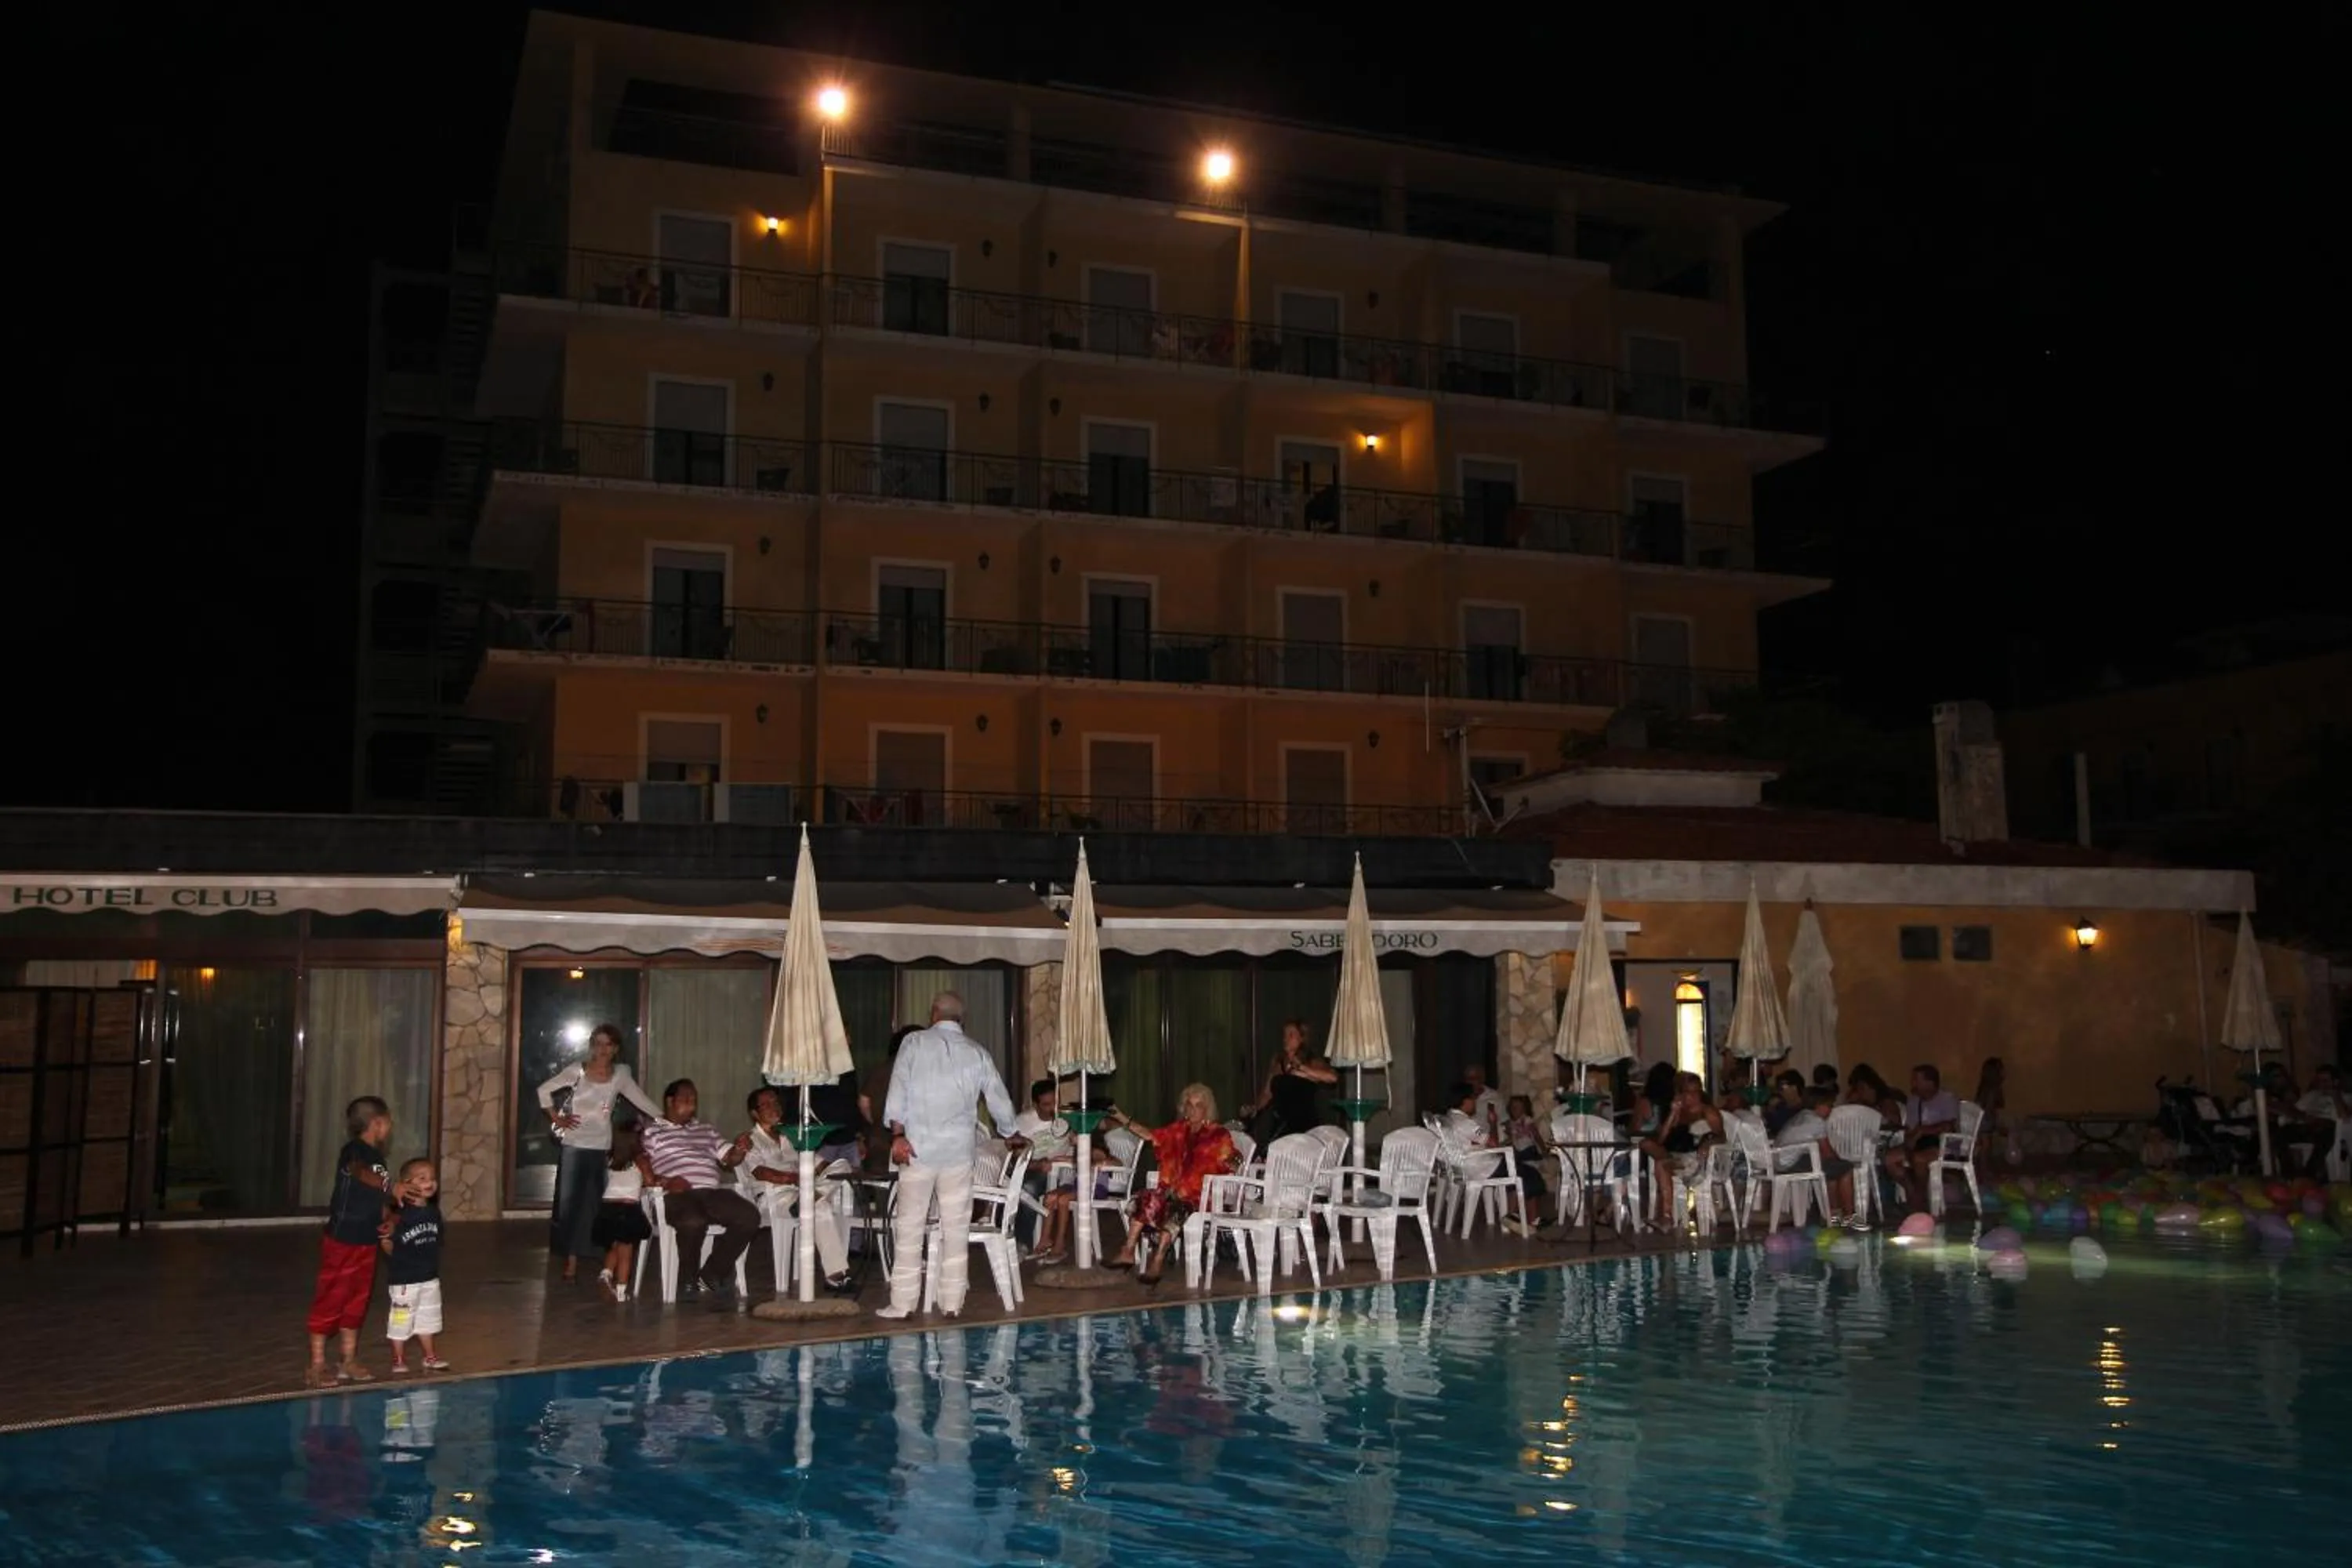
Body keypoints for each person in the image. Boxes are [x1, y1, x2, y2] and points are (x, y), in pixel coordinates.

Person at [878, 992, 1021, 1320]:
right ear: (961, 1018)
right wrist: (1010, 1130)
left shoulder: (913, 1043)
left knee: (910, 1225)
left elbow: (898, 1088)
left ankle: (902, 1303)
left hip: (918, 1149)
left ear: (934, 1013)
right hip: (958, 1152)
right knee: (956, 1227)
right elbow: (998, 1097)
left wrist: (897, 1135)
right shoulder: (977, 1052)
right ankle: (952, 1302)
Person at [536, 1023, 662, 1283]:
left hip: (602, 1147)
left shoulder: (621, 1075)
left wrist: (664, 1119)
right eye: (599, 1043)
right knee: (570, 1204)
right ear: (592, 1044)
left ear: (615, 1049)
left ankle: (599, 1256)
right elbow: (543, 1090)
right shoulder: (577, 1070)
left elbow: (640, 1100)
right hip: (574, 1145)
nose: (603, 1049)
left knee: (598, 1205)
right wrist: (556, 1119)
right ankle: (570, 1261)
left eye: (609, 1044)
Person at [637, 1078, 760, 1307]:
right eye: (685, 1099)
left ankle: (712, 1273)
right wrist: (663, 1181)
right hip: (675, 1195)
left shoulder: (706, 1130)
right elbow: (639, 1164)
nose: (691, 1104)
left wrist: (741, 1148)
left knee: (748, 1215)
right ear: (670, 1101)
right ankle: (687, 1280)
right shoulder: (652, 1132)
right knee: (693, 1220)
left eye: (694, 1100)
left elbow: (730, 1158)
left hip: (710, 1193)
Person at [1104, 1083, 1240, 1285]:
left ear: (1207, 1109)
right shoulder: (1178, 1130)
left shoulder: (1218, 1135)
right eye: (1189, 1105)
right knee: (1146, 1197)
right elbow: (1150, 1135)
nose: (1192, 1110)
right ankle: (1128, 1250)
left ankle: (1158, 1259)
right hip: (1174, 1191)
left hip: (1200, 1196)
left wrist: (1234, 1163)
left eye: (1198, 1105)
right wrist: (1120, 1116)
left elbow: (1233, 1161)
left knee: (1176, 1206)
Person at [307, 1096, 396, 1388]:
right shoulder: (354, 1151)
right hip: (342, 1239)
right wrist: (391, 1186)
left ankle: (348, 1358)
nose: (390, 1129)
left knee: (357, 1299)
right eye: (388, 1123)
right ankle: (317, 1364)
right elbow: (361, 1174)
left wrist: (387, 1220)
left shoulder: (380, 1159)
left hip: (367, 1240)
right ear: (377, 1123)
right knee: (332, 1295)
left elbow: (379, 1198)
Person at [744, 1086, 852, 1294]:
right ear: (755, 1113)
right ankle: (836, 1275)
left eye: (776, 1103)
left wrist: (833, 1171)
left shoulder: (792, 1135)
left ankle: (811, 1199)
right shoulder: (751, 1140)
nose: (774, 1108)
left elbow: (821, 1165)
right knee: (819, 1206)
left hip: (804, 1192)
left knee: (842, 1166)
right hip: (775, 1197)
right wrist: (792, 1178)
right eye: (766, 1105)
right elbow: (760, 1172)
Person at [383, 1159, 448, 1374]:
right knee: (401, 1321)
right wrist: (395, 1256)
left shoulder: (434, 1213)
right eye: (422, 1178)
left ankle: (430, 1357)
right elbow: (387, 1242)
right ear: (406, 1184)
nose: (430, 1182)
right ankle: (398, 1359)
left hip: (429, 1278)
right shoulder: (399, 1217)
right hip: (405, 1281)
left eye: (432, 1178)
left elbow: (436, 1242)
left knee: (428, 1319)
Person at [1639, 1073, 1722, 1229]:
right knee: (1646, 1144)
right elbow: (1661, 1140)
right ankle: (1667, 1218)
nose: (1693, 1096)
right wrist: (1673, 1114)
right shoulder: (1679, 1113)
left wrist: (1709, 1142)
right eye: (1688, 1092)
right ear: (1681, 1093)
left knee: (1661, 1164)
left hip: (1695, 1160)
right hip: (1675, 1155)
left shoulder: (1707, 1111)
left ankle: (1666, 1217)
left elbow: (1722, 1136)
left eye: (1696, 1091)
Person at [1011, 1078, 1077, 1261]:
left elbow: (1084, 1149)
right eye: (1047, 1104)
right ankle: (1021, 1242)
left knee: (1028, 1189)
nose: (1053, 1109)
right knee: (1025, 1187)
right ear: (1035, 1104)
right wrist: (1038, 1164)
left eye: (1055, 1103)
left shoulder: (1068, 1118)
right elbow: (1015, 1158)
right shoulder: (1023, 1122)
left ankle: (1025, 1243)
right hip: (1032, 1169)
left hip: (1063, 1172)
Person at [1773, 1083, 1857, 1224]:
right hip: (1790, 1163)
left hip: (1779, 1160)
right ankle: (1849, 1215)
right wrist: (1843, 1161)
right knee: (1845, 1168)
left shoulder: (1802, 1115)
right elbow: (1827, 1152)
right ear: (1819, 1105)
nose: (1831, 1110)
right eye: (1829, 1106)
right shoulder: (1816, 1121)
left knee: (1831, 1168)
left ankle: (1832, 1212)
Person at [1245, 1018, 1338, 1145]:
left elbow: (1332, 1078)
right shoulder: (1278, 1061)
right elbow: (1267, 1093)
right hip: (1281, 1124)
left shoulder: (1311, 1061)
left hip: (1305, 1124)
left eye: (1291, 1035)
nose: (1285, 1039)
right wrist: (1254, 1108)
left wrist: (1302, 1068)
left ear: (1302, 1038)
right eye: (1284, 1035)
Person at [1882, 1065, 1959, 1213]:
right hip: (1919, 1143)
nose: (1913, 1084)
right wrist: (1910, 1138)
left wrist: (1923, 1131)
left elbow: (1949, 1126)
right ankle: (1912, 1191)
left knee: (1919, 1159)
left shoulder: (1947, 1099)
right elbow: (1911, 1129)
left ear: (1930, 1083)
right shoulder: (1913, 1101)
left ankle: (1921, 1201)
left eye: (1916, 1080)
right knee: (1889, 1158)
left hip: (1943, 1144)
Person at [593, 1124, 652, 1301]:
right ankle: (621, 1290)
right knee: (626, 1251)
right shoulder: (640, 1160)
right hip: (627, 1209)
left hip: (607, 1208)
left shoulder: (611, 1159)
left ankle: (606, 1274)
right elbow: (649, 1179)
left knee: (614, 1246)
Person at [1463, 1063, 1506, 1144]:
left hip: (1487, 1143)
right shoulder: (1459, 1097)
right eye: (1468, 1079)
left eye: (1474, 1078)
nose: (1471, 1082)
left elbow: (1504, 1123)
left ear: (1482, 1079)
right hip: (1465, 1144)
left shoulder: (1494, 1097)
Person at [1763, 1069, 1807, 1138]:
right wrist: (1770, 1110)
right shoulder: (1778, 1107)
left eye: (1782, 1088)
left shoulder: (1807, 1107)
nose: (1780, 1092)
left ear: (1794, 1087)